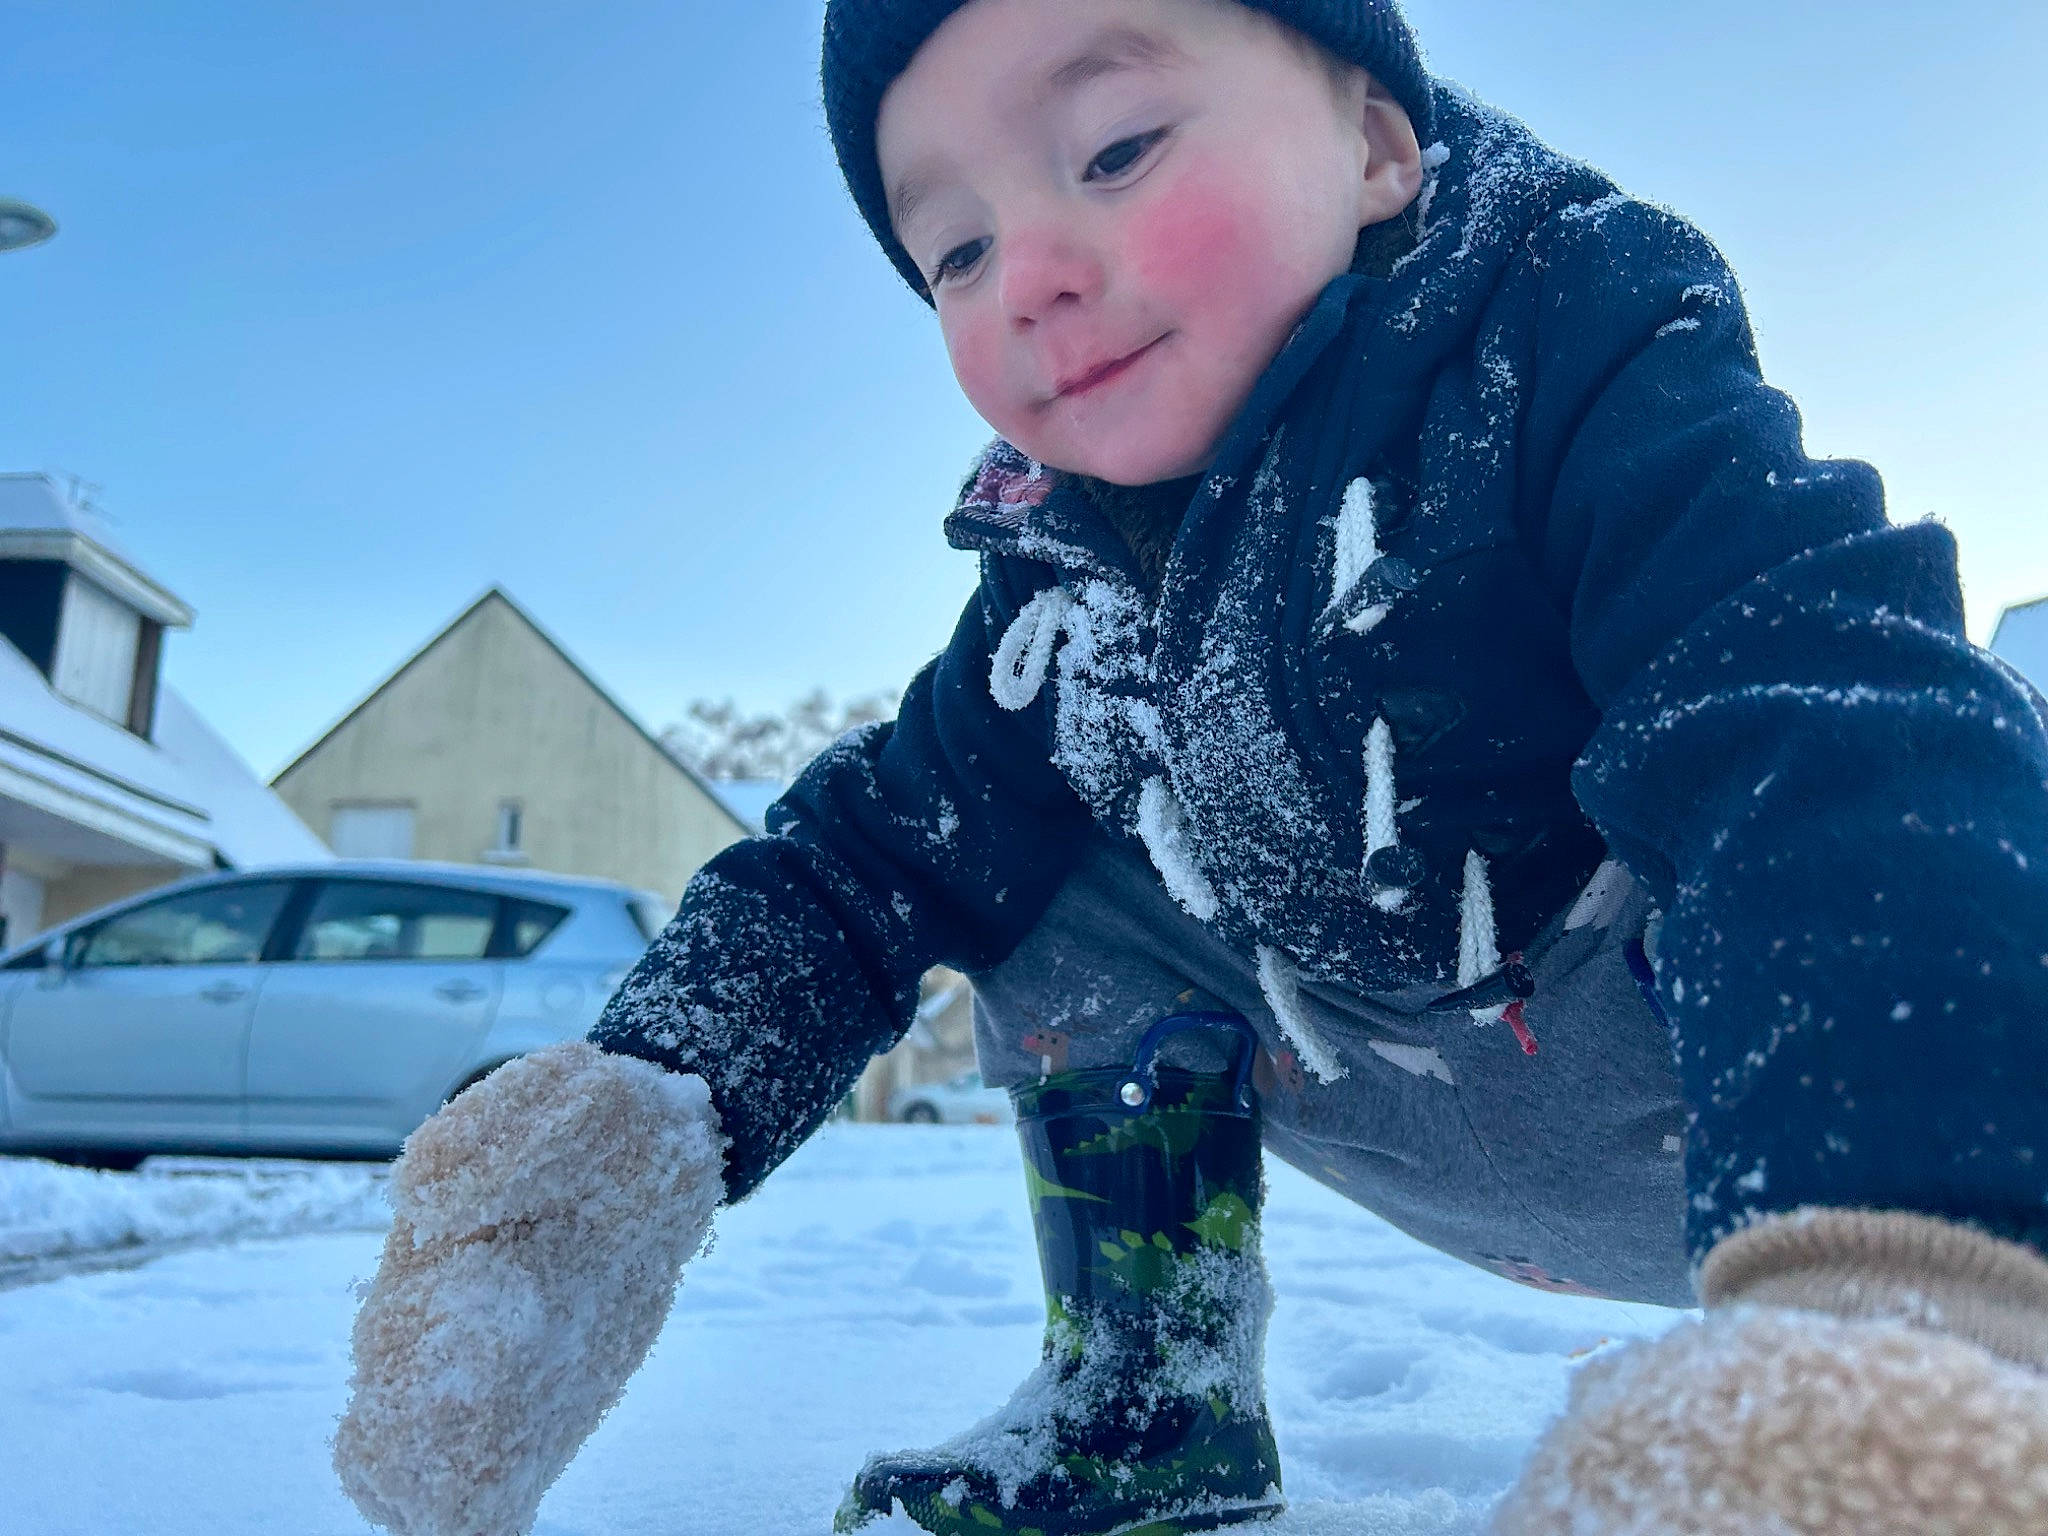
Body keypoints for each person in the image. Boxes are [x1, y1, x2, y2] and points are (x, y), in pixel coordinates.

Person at [331, 2, 2048, 1533]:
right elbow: (862, 860)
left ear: (1379, 141)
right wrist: (632, 1121)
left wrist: (1895, 1292)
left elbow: (1821, 714)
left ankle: (1913, 1319)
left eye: (1118, 148)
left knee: (1789, 762)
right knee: (1019, 846)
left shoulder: (1574, 347)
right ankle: (1145, 1397)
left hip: (1782, 1111)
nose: (1034, 272)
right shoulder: (1061, 587)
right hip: (1430, 1102)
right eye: (954, 251)